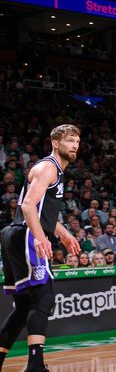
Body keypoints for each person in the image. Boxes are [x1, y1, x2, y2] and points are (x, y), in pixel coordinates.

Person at [0, 124, 81, 372]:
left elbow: (45, 215)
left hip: (15, 235)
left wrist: (65, 235)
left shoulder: (56, 172)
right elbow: (27, 206)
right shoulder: (48, 167)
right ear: (55, 143)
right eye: (70, 140)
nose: (75, 145)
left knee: (25, 306)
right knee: (44, 297)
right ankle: (35, 365)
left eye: (77, 141)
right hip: (25, 234)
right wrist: (39, 237)